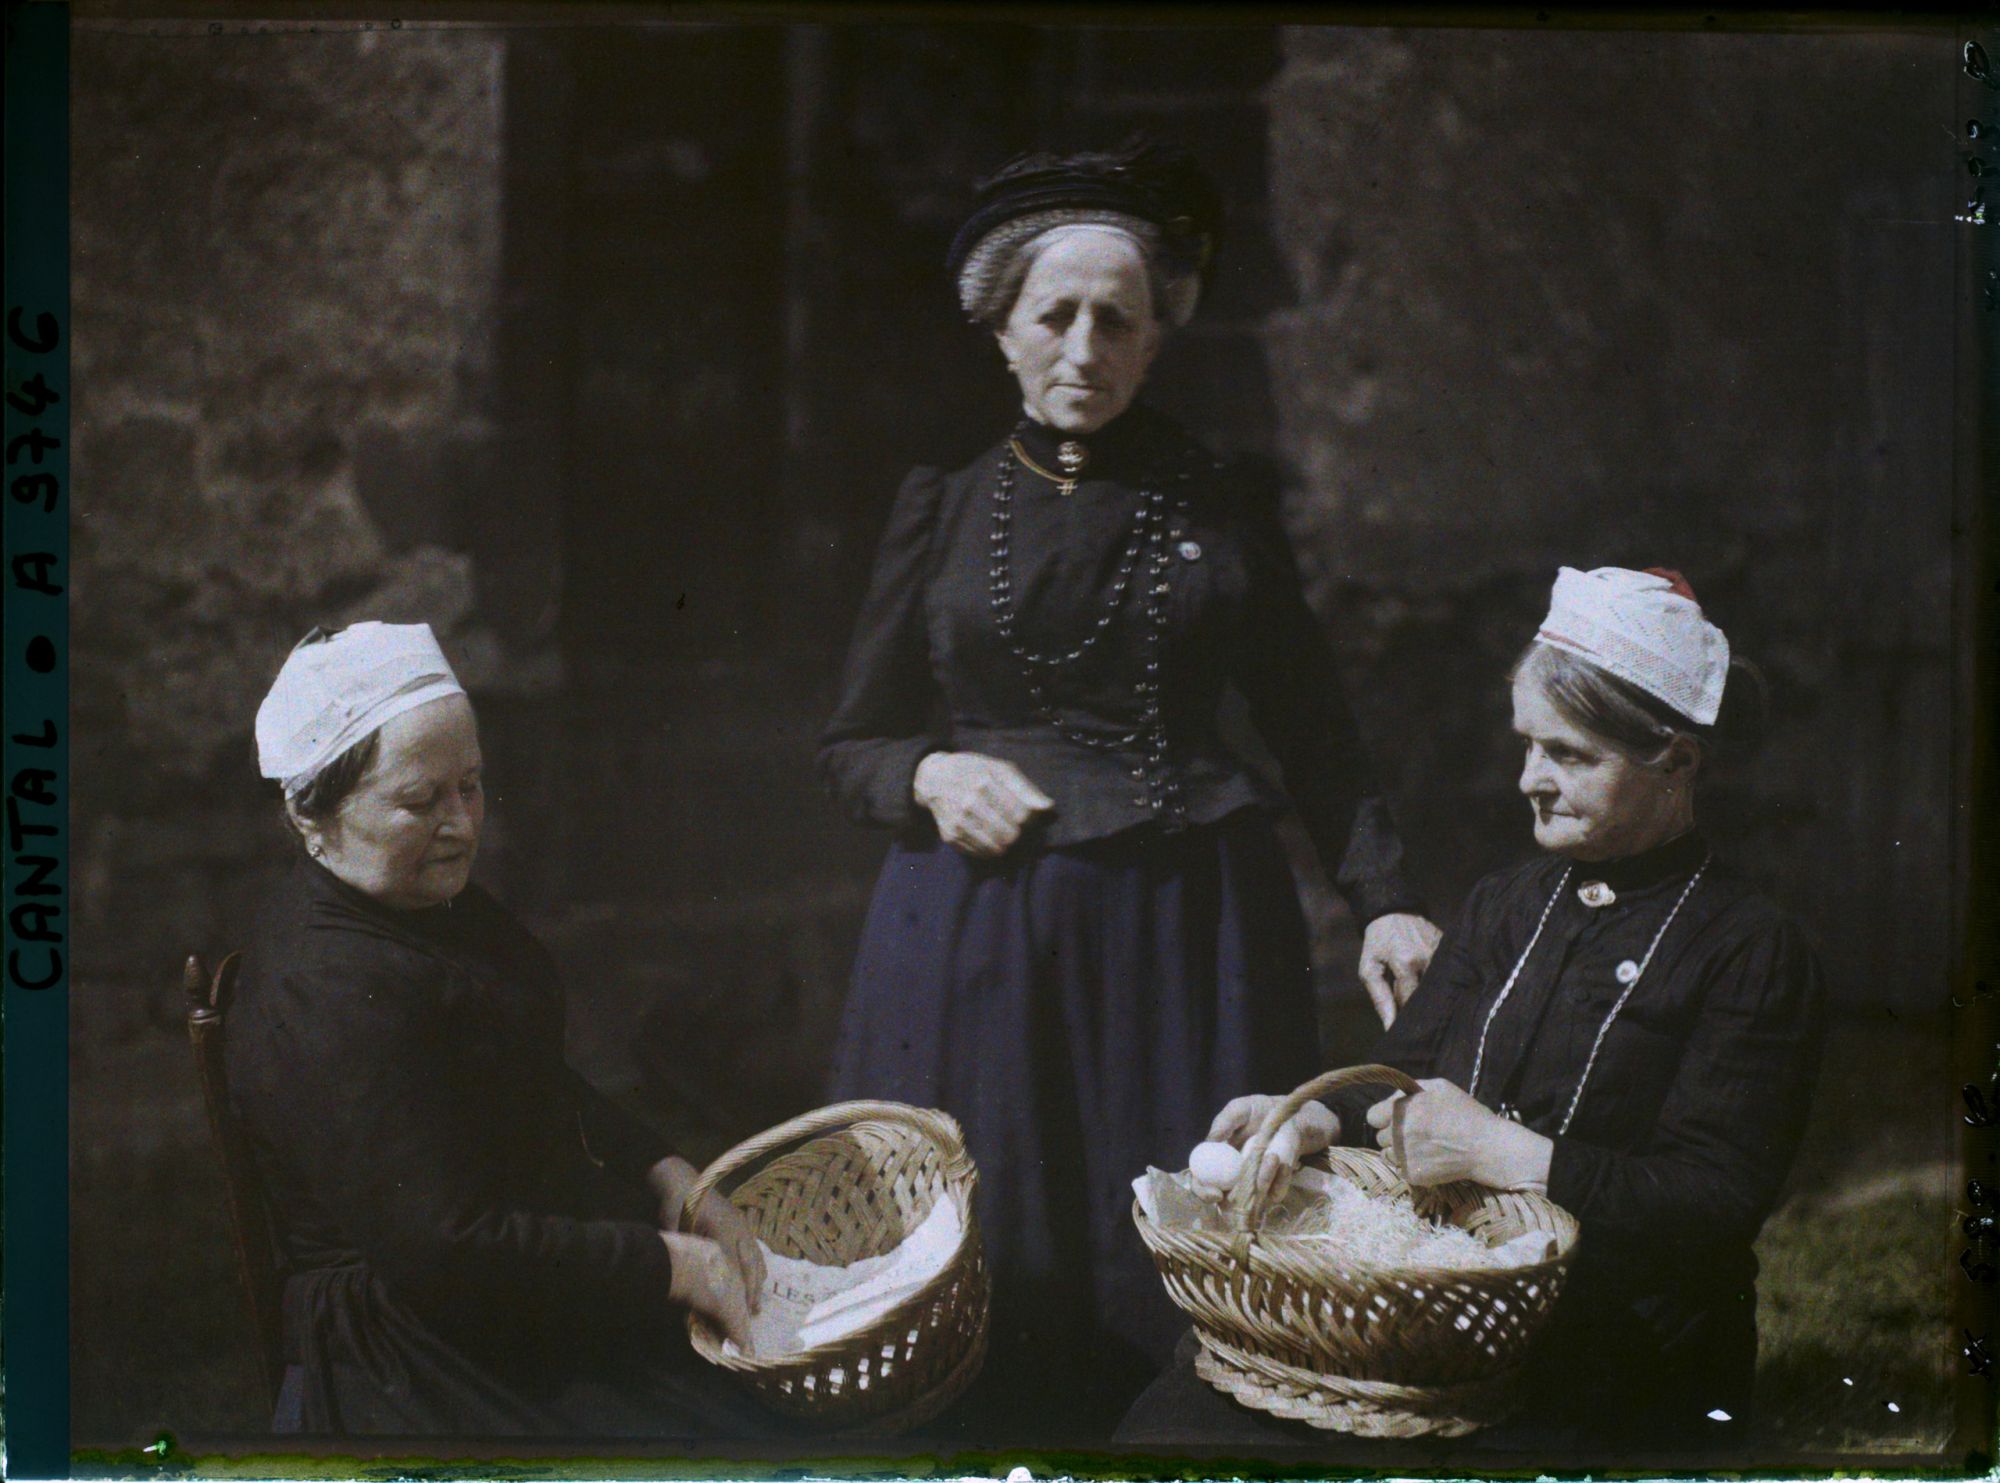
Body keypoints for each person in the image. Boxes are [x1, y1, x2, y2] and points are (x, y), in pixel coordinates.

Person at [817, 138, 1440, 1436]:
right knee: (992, 1256)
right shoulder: (941, 505)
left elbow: (1311, 720)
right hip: (976, 930)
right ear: (1002, 331)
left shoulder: (1218, 500)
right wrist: (929, 769)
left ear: (1160, 340)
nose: (1084, 347)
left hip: (1182, 920)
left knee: (1181, 1249)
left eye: (1120, 318)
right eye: (1056, 315)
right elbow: (853, 742)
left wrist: (1383, 894)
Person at [1121, 566, 1827, 1456]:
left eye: (1570, 755)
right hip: (1447, 1316)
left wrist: (1507, 1152)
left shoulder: (1749, 947)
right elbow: (1402, 1073)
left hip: (1618, 1352)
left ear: (1676, 761)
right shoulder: (1507, 903)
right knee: (1175, 1424)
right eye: (1528, 744)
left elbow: (1714, 1200)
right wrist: (1305, 1124)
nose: (1531, 778)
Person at [229, 622, 775, 1438]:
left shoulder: (423, 907)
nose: (461, 824)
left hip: (515, 1279)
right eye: (420, 801)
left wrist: (662, 1168)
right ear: (314, 816)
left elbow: (527, 1073)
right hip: (413, 1342)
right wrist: (670, 1265)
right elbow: (446, 1252)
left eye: (472, 785)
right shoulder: (325, 989)